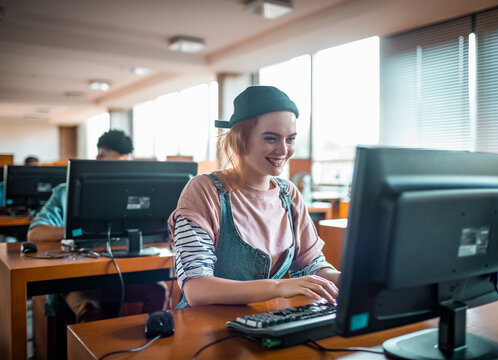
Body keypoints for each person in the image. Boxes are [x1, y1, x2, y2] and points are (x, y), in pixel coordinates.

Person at [168, 85, 340, 309]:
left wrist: (354, 280)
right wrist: (279, 288)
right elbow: (196, 288)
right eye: (271, 138)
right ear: (241, 139)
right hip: (203, 328)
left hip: (263, 321)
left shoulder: (289, 194)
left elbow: (312, 265)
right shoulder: (204, 190)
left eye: (290, 139)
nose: (283, 150)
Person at [27, 129, 167, 322]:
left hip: (120, 273)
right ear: (99, 158)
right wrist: (80, 232)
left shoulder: (129, 196)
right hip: (76, 279)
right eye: (116, 166)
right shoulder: (64, 192)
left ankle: (146, 345)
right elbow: (35, 234)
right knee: (89, 309)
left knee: (158, 291)